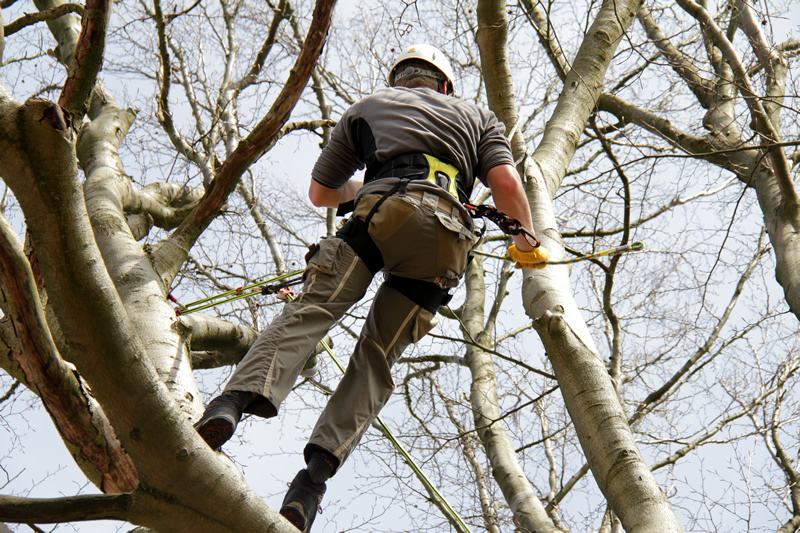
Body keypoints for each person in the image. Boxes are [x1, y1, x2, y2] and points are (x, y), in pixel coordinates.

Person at [194, 43, 548, 532]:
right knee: (378, 356)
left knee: (313, 310)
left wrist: (360, 189)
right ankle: (311, 484)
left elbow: (321, 192)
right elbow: (506, 183)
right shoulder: (477, 116)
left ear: (400, 78)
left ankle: (230, 405)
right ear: (444, 84)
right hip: (446, 241)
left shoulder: (369, 108)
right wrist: (527, 242)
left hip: (383, 213)